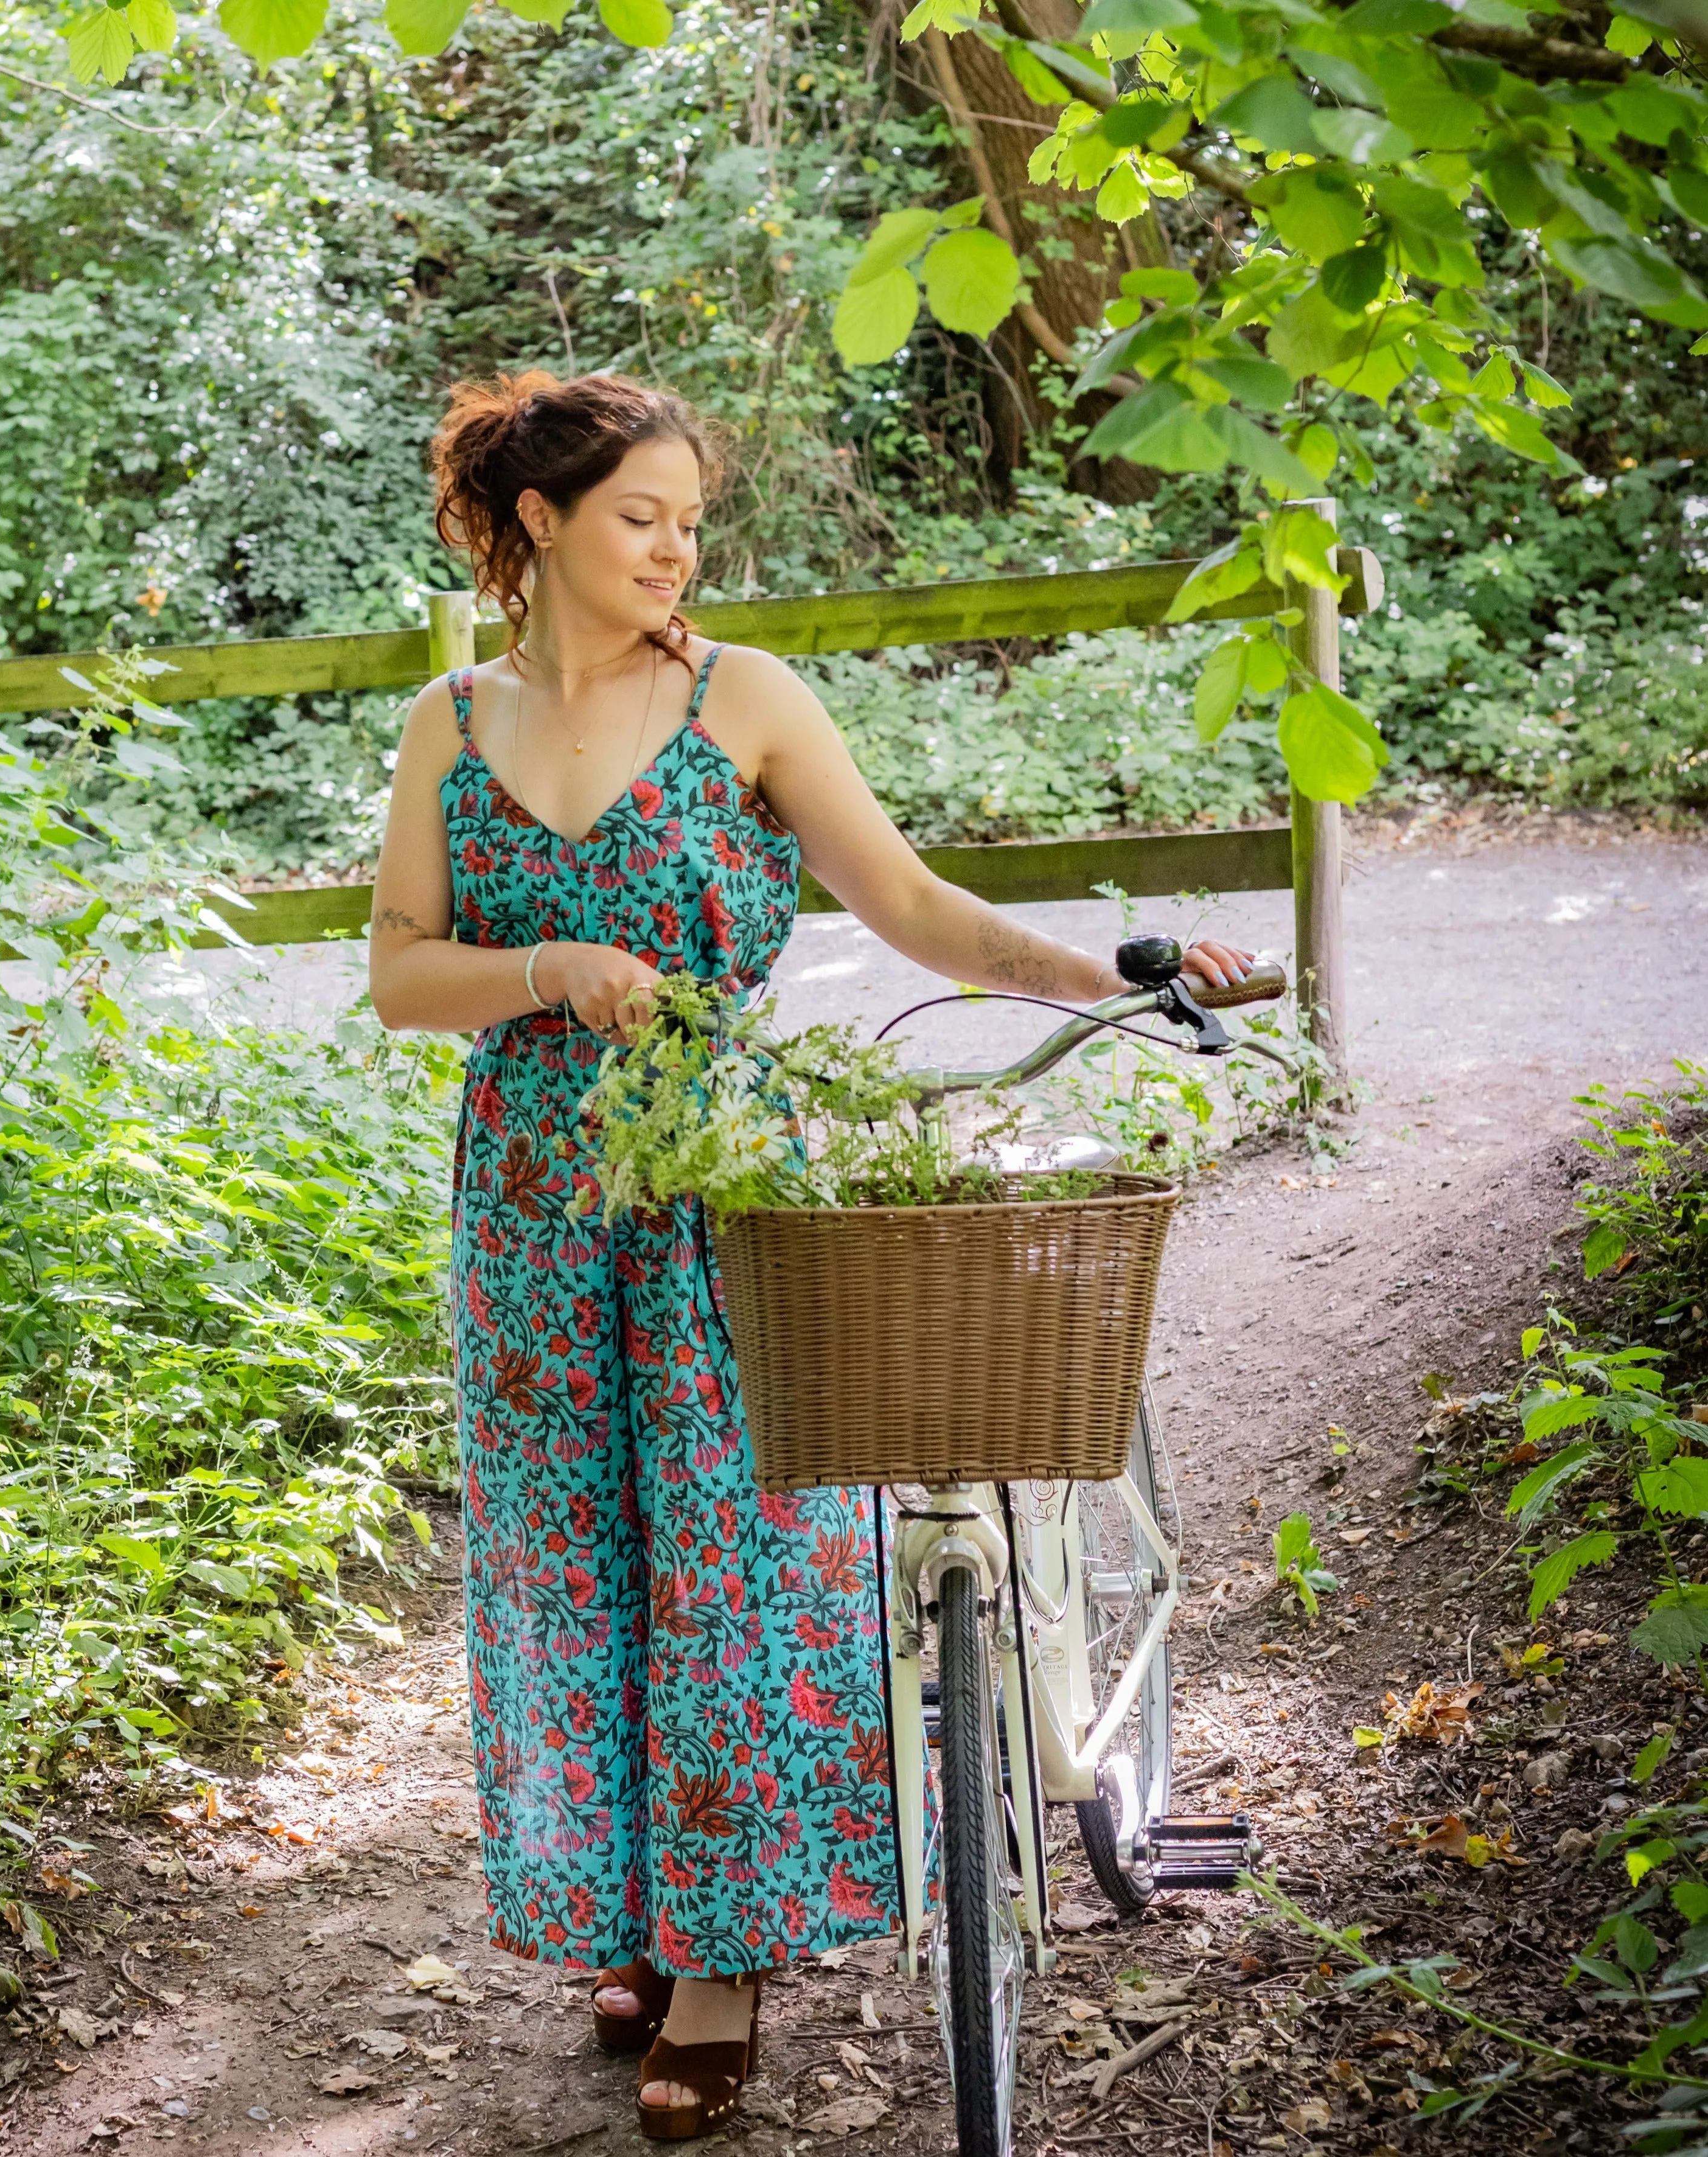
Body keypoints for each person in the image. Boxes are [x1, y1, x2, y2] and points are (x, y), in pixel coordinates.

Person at [368, 370, 1252, 2140]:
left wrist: (1124, 974)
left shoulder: (745, 699)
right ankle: (622, 1905)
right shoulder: (446, 726)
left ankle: (724, 1960)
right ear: (539, 524)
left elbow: (915, 910)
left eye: (693, 521)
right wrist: (552, 971)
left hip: (721, 1190)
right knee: (565, 1561)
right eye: (644, 518)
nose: (680, 551)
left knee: (729, 1566)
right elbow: (400, 971)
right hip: (531, 1201)